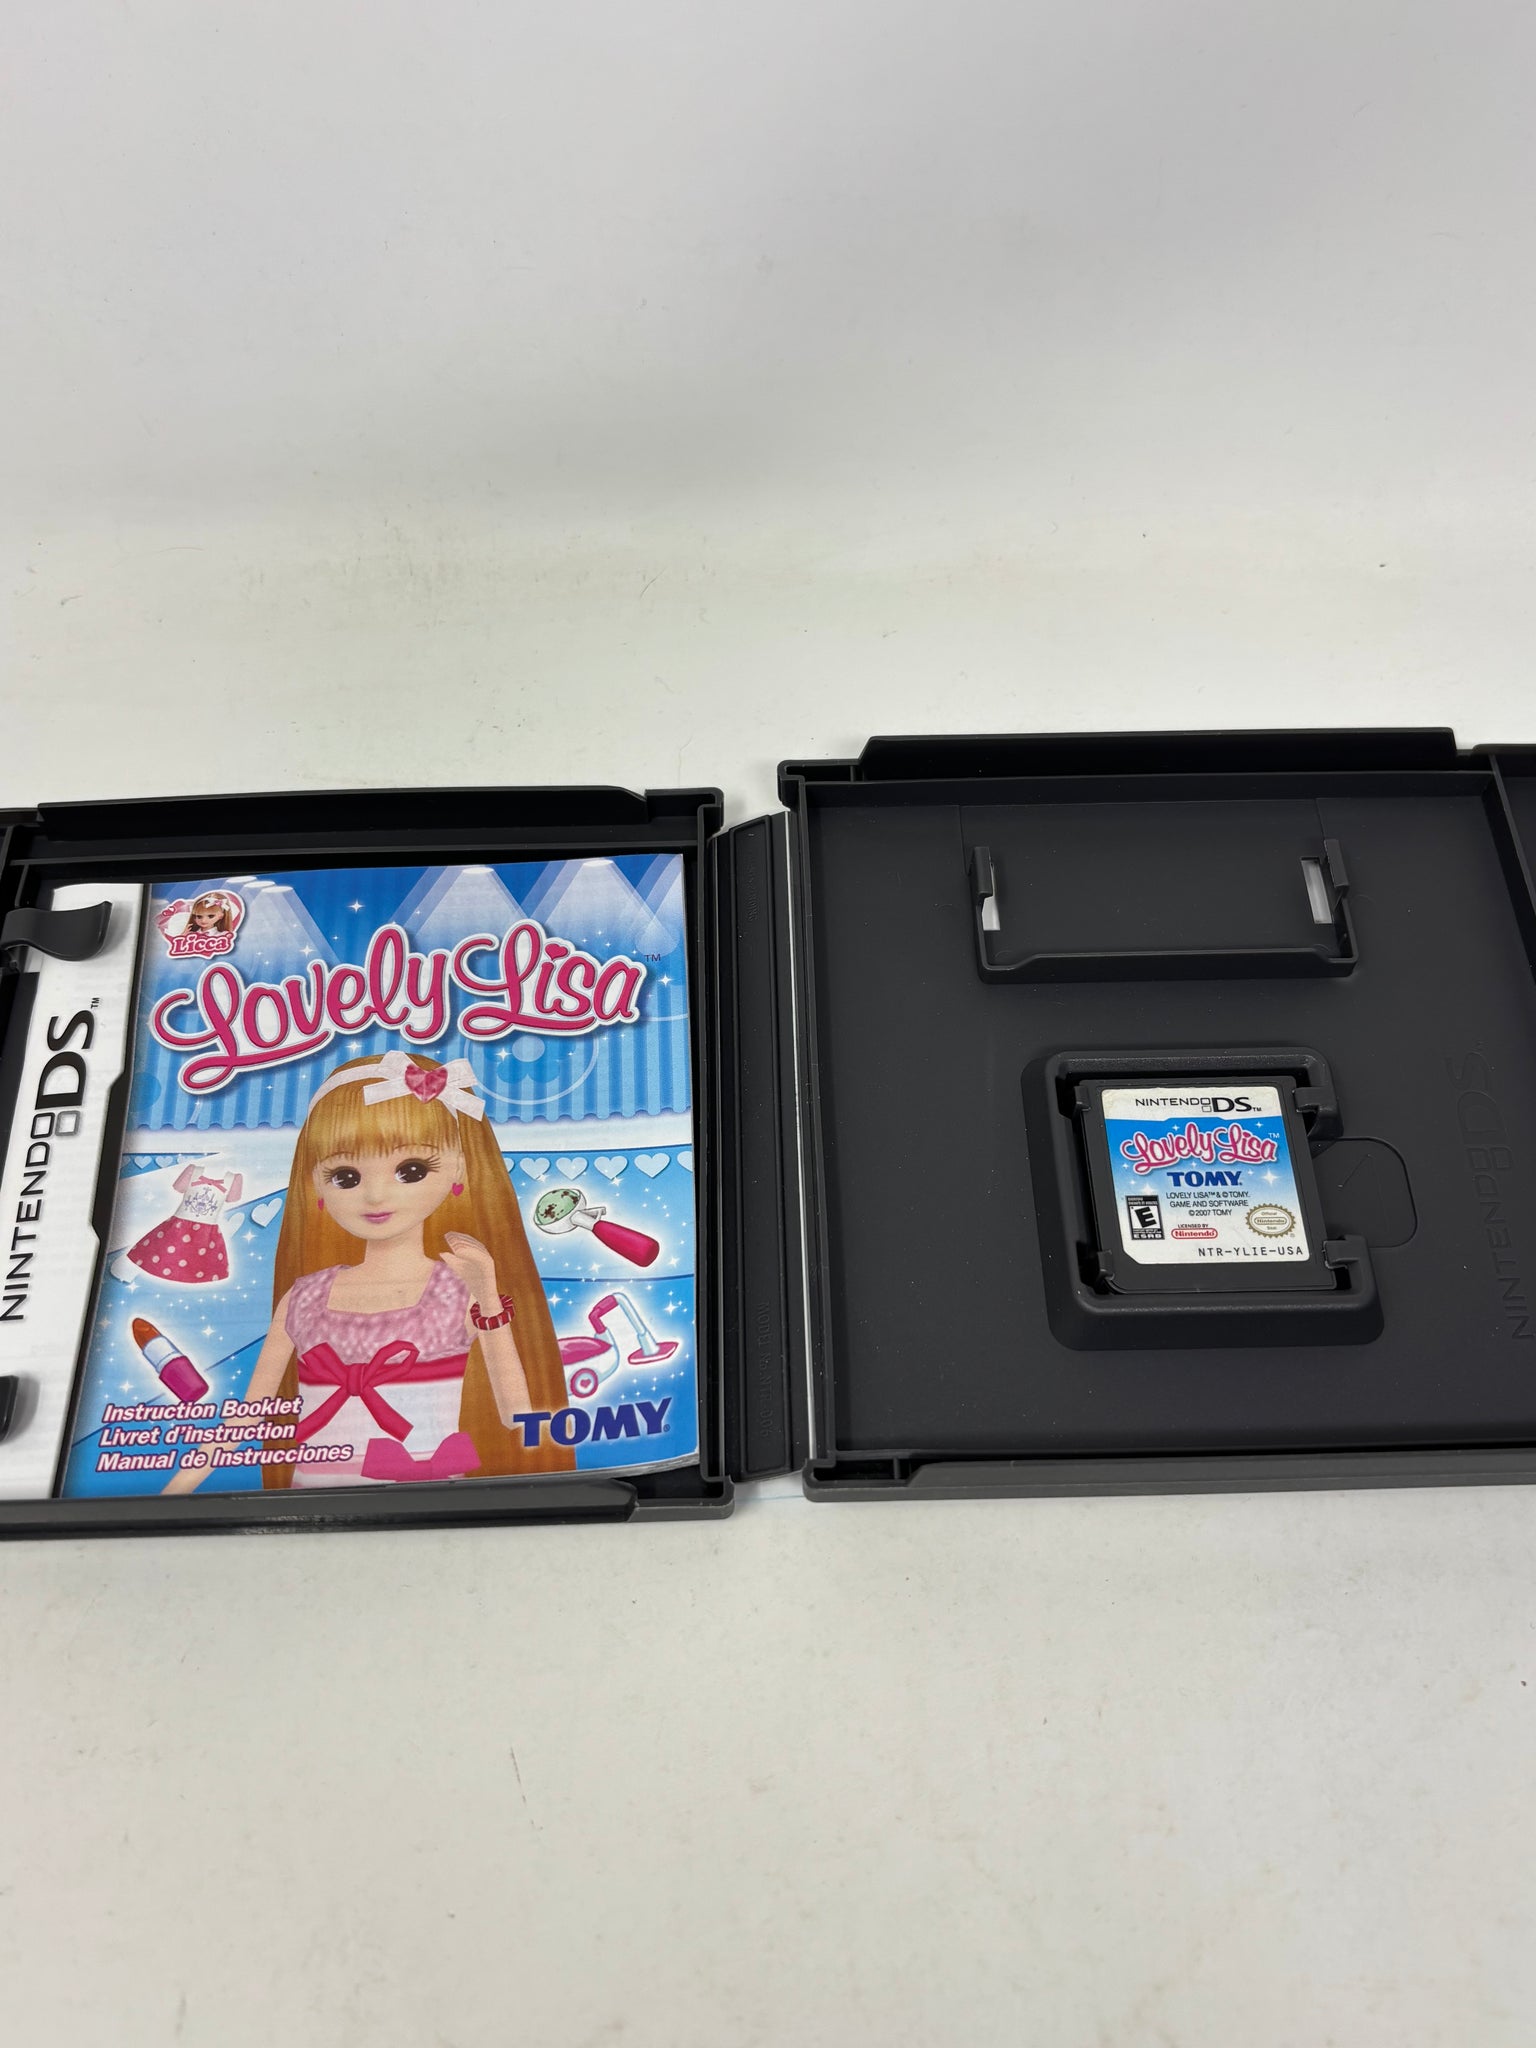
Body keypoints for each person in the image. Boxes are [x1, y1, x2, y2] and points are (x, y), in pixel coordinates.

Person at [164, 1051, 572, 1491]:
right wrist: (172, 1494)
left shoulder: (459, 1291)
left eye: (411, 1170)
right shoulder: (304, 1296)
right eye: (346, 1177)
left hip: (428, 1499)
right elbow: (247, 1417)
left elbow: (516, 1414)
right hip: (313, 1502)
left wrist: (488, 1298)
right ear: (315, 1183)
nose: (376, 1196)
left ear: (457, 1168)